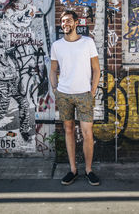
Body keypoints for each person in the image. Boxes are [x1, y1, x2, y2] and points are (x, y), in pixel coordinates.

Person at [49, 10, 101, 186]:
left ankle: (88, 170)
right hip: (64, 95)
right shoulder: (57, 45)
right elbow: (53, 69)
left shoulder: (87, 42)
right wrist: (55, 88)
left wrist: (92, 90)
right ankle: (73, 169)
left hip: (84, 94)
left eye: (69, 21)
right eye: (63, 21)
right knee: (68, 130)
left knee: (87, 132)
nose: (65, 24)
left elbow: (96, 69)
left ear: (77, 23)